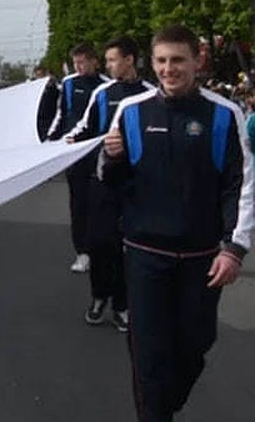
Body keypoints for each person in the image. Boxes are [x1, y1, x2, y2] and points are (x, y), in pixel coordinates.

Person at [100, 25, 253, 422]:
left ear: (197, 61)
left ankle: (164, 405)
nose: (170, 69)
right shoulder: (131, 112)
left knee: (194, 346)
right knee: (149, 354)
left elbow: (241, 184)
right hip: (145, 254)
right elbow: (110, 180)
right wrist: (112, 158)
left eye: (178, 60)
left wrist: (234, 247)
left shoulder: (224, 113)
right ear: (152, 64)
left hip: (202, 259)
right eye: (162, 61)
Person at [65, 36, 155, 332]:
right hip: (103, 180)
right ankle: (98, 295)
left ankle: (122, 305)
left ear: (129, 60)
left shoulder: (151, 94)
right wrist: (65, 142)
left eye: (113, 59)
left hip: (136, 185)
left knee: (128, 247)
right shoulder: (103, 93)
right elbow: (85, 127)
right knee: (100, 243)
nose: (108, 65)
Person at [48, 43, 110, 273]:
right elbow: (61, 113)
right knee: (78, 203)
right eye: (75, 62)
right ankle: (82, 251)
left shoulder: (105, 86)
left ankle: (103, 248)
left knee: (101, 203)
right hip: (74, 151)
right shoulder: (69, 83)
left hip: (98, 152)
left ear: (95, 61)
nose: (78, 66)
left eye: (83, 61)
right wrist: (51, 140)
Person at [34, 65, 61, 141]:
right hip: (39, 122)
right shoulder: (34, 92)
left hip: (51, 120)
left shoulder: (54, 89)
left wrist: (51, 83)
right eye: (38, 76)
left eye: (42, 76)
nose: (40, 79)